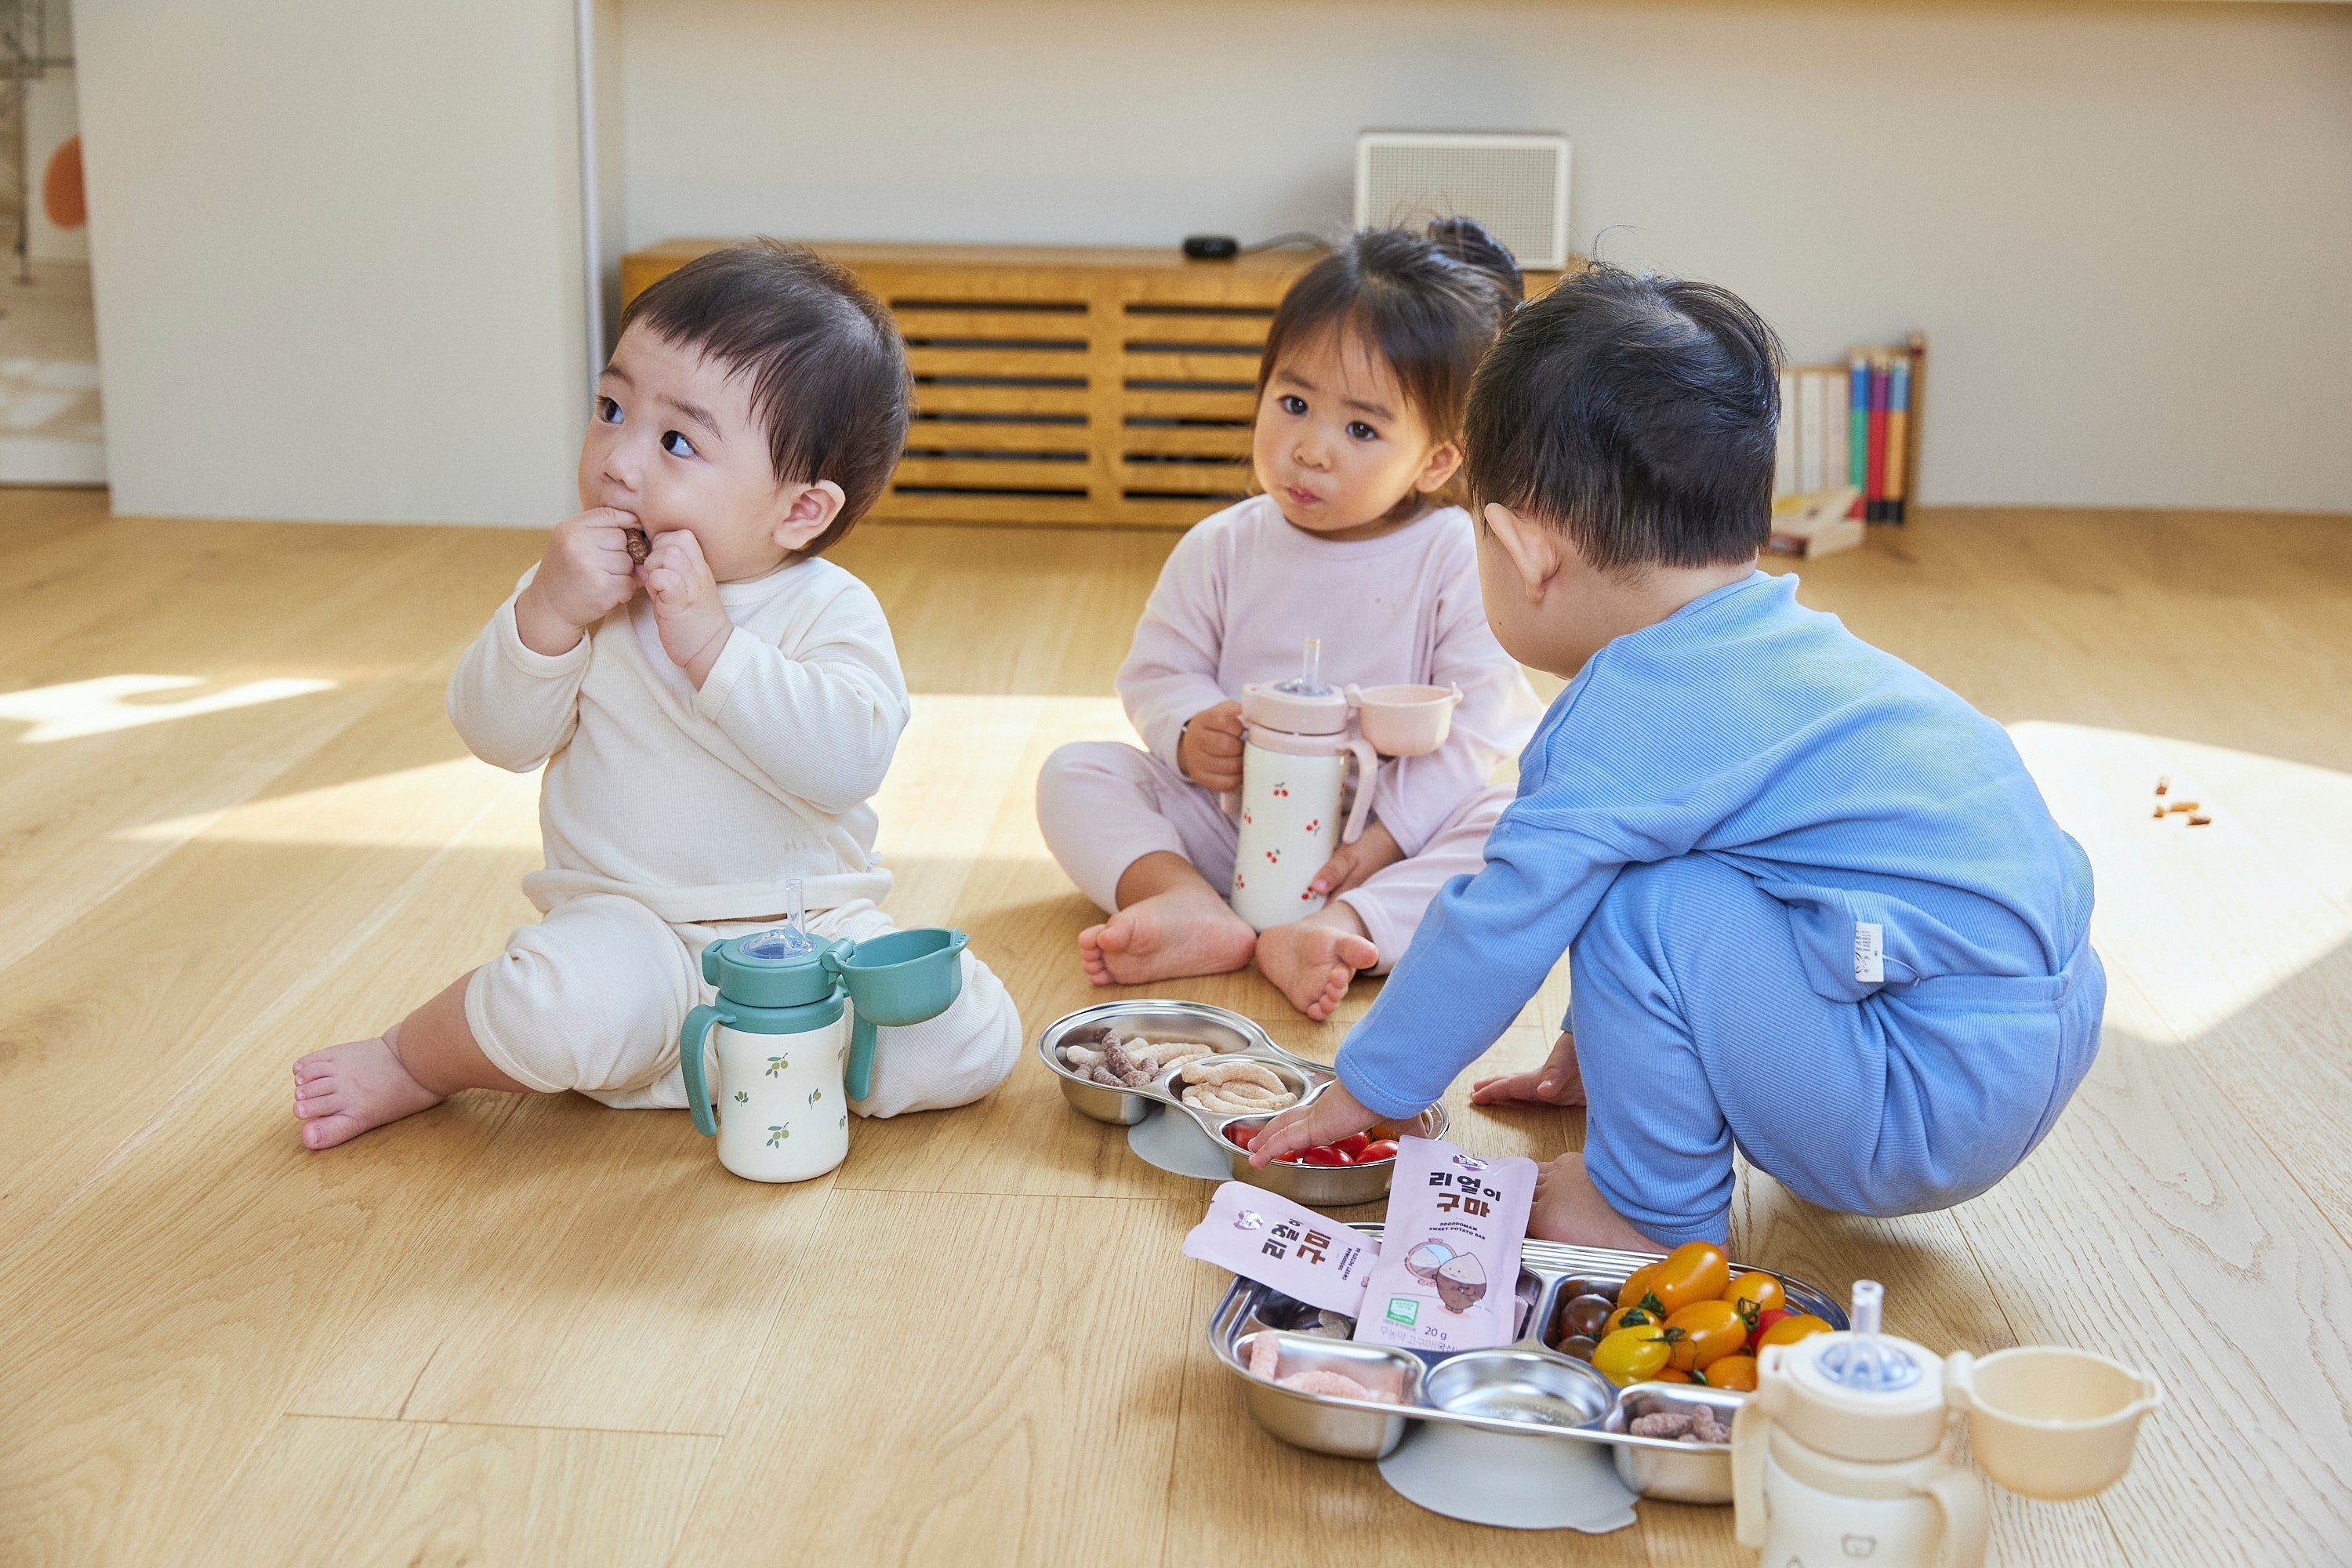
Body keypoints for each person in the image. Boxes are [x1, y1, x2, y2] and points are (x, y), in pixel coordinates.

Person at [1249, 263, 2103, 1250]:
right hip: (2028, 1042)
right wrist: (1603, 1048)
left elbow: (1498, 925)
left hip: (1915, 1104)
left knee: (1644, 898)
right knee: (1663, 860)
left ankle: (1645, 1210)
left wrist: (1368, 1086)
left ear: (1523, 552)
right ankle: (1700, 1120)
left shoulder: (1623, 712)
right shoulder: (1785, 651)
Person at [292, 241, 1022, 1149]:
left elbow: (848, 761)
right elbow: (494, 733)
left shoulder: (828, 607)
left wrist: (715, 647)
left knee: (966, 1041)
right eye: (610, 408)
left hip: (806, 935)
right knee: (560, 1000)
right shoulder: (579, 588)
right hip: (628, 932)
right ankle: (414, 1057)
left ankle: (724, 1059)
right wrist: (548, 613)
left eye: (677, 440)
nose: (619, 461)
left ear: (800, 510)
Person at [1034, 221, 1544, 1021]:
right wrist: (1189, 727)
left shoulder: (1452, 556)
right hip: (1229, 827)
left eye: (1362, 428)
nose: (1311, 449)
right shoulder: (1227, 544)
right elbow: (1159, 670)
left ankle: (1338, 928)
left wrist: (1378, 845)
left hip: (1378, 841)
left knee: (1511, 825)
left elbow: (1481, 725)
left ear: (1437, 460)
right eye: (1294, 402)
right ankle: (1183, 901)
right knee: (1077, 772)